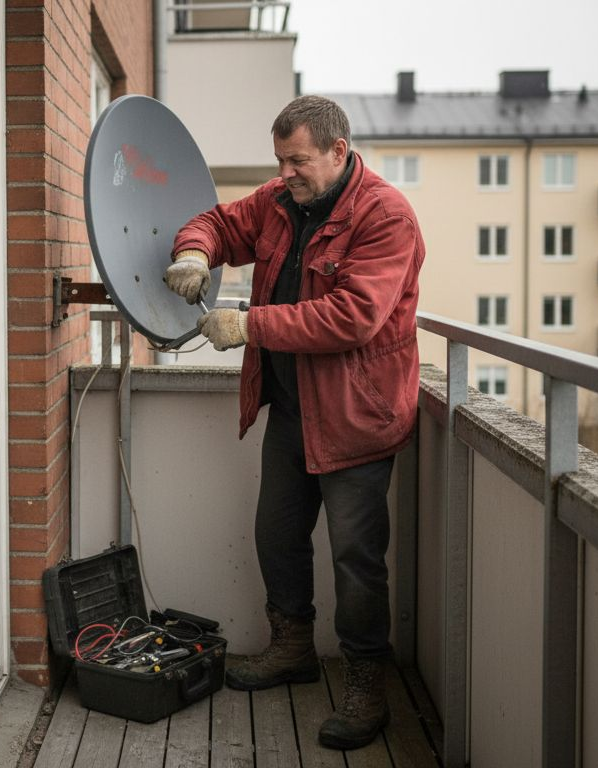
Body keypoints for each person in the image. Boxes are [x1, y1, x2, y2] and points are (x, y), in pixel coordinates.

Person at [164, 95, 424, 750]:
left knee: (356, 556)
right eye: (279, 161)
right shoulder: (281, 203)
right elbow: (216, 221)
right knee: (277, 534)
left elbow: (352, 316)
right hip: (292, 408)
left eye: (297, 161)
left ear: (338, 152)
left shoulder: (386, 215)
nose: (285, 173)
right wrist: (196, 253)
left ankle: (367, 681)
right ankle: (292, 650)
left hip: (356, 416)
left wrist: (249, 325)